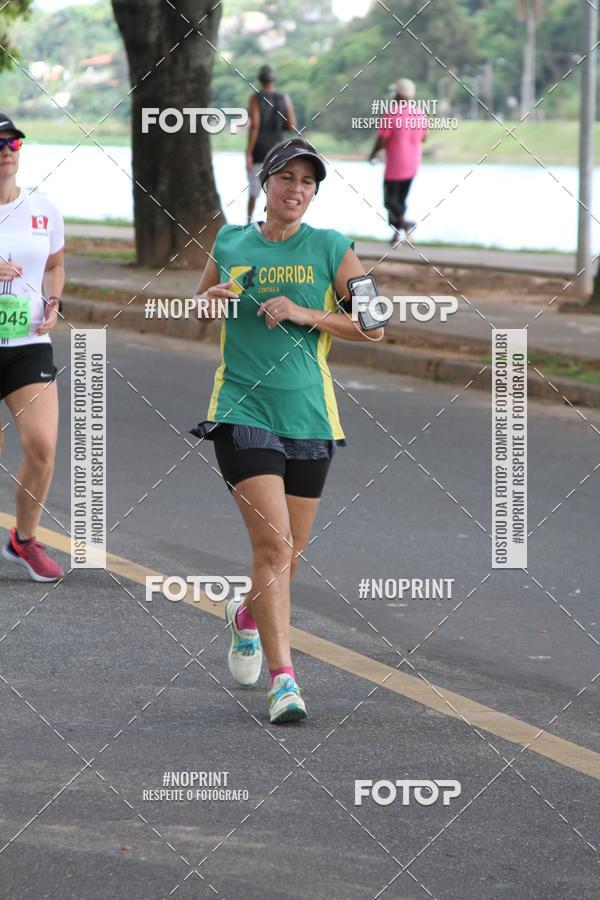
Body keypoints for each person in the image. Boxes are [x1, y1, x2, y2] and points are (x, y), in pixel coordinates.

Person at [191, 138, 384, 724]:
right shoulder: (230, 240)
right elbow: (201, 302)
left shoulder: (332, 248)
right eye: (285, 178)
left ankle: (245, 615)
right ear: (265, 182)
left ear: (315, 192)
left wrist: (306, 313)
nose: (296, 189)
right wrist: (206, 303)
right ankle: (285, 681)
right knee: (272, 546)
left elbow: (375, 324)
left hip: (310, 416)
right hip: (243, 410)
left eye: (307, 181)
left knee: (289, 556)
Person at [0, 114, 65, 582]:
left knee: (42, 447)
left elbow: (56, 263)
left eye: (13, 141)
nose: (6, 149)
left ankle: (23, 539)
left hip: (28, 343)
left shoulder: (43, 208)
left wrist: (55, 299)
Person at [368, 78, 428, 246]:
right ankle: (396, 236)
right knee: (400, 201)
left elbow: (382, 138)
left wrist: (372, 154)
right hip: (413, 164)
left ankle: (407, 225)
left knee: (389, 201)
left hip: (396, 165)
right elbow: (424, 137)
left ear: (398, 95)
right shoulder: (420, 113)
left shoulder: (392, 113)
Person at [246, 64, 297, 224]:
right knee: (274, 188)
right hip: (277, 150)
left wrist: (248, 152)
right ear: (273, 79)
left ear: (260, 79)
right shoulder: (284, 98)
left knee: (254, 191)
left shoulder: (255, 97)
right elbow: (291, 125)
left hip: (259, 149)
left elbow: (255, 125)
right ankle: (273, 222)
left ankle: (248, 223)